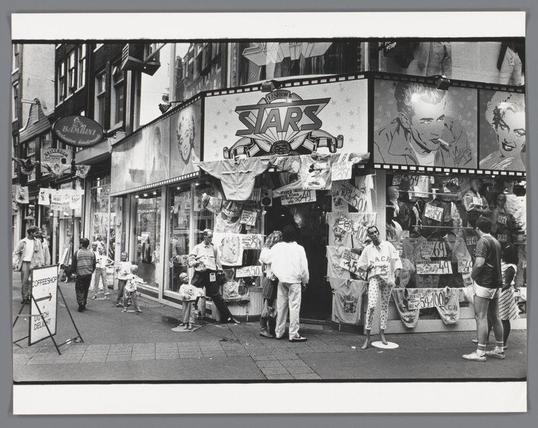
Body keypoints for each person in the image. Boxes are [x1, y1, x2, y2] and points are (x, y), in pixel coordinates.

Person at [374, 81, 473, 168]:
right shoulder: (380, 145)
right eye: (427, 122)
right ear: (405, 121)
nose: (437, 131)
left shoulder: (454, 131)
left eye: (440, 119)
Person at [463, 216, 504, 362]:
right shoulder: (496, 241)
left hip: (484, 283)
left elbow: (479, 263)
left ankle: (480, 352)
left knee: (481, 317)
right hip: (496, 283)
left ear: (477, 229)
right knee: (495, 316)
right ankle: (499, 348)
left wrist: (471, 277)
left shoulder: (482, 241)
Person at [357, 225, 402, 349]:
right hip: (375, 278)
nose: (374, 234)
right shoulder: (367, 249)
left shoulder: (388, 246)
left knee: (384, 306)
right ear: (369, 236)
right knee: (371, 306)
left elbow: (397, 260)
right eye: (371, 233)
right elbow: (360, 265)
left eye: (375, 232)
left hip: (387, 279)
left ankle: (382, 333)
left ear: (378, 232)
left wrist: (396, 274)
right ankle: (367, 336)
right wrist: (367, 267)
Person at [189, 229, 239, 324]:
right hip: (200, 274)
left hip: (211, 274)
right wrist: (196, 262)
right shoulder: (198, 247)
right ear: (204, 237)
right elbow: (190, 259)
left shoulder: (214, 248)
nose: (211, 239)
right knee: (194, 294)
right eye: (209, 237)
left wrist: (220, 271)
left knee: (216, 296)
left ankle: (228, 317)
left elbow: (218, 262)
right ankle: (188, 317)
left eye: (212, 237)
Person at [270, 225, 309, 342]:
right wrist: (305, 281)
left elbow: (267, 258)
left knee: (281, 307)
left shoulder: (278, 247)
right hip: (295, 281)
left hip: (282, 280)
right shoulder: (299, 248)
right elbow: (304, 268)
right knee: (294, 307)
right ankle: (293, 334)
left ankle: (279, 332)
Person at [479, 91, 525, 171]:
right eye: (503, 127)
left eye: (519, 133)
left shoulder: (520, 168)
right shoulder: (488, 160)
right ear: (495, 126)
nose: (508, 139)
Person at [258, 230, 283, 338]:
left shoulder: (269, 250)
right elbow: (267, 260)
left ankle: (272, 328)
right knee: (268, 304)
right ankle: (263, 328)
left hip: (275, 280)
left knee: (274, 305)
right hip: (270, 280)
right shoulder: (267, 251)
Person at [12, 226, 45, 303]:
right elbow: (16, 252)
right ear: (31, 233)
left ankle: (31, 297)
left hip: (34, 263)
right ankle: (25, 297)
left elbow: (41, 253)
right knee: (25, 281)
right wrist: (16, 262)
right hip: (25, 263)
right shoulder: (23, 242)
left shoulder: (38, 242)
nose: (37, 234)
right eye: (35, 233)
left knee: (33, 281)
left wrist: (42, 263)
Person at [71, 238, 96, 312]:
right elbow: (94, 264)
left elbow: (74, 264)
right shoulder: (92, 253)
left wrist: (73, 272)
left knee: (79, 289)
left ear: (81, 244)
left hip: (80, 274)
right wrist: (91, 271)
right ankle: (84, 302)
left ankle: (80, 303)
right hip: (88, 274)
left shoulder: (77, 253)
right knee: (85, 289)